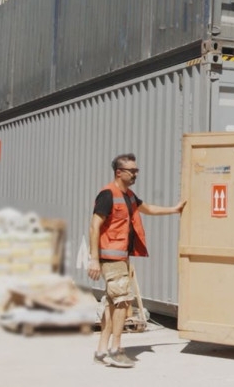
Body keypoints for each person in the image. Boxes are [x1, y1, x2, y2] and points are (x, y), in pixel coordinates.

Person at [88, 153, 186, 368]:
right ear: (119, 172)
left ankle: (102, 351)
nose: (135, 174)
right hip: (110, 258)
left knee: (113, 303)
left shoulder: (129, 196)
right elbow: (94, 226)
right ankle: (116, 349)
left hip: (120, 257)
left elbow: (147, 208)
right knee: (123, 301)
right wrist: (94, 259)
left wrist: (174, 209)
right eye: (131, 170)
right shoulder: (107, 195)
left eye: (136, 170)